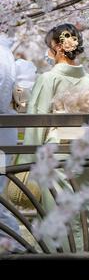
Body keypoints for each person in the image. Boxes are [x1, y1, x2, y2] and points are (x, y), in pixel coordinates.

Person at [16, 23, 89, 251]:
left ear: (58, 47)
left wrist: (25, 161)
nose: (48, 52)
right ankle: (86, 253)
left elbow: (36, 120)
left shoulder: (48, 79)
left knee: (57, 212)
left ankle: (60, 256)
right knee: (83, 210)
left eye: (49, 47)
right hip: (84, 148)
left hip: (56, 152)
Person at [0, 36, 36, 251]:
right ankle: (14, 243)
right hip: (6, 131)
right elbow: (21, 101)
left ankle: (15, 245)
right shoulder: (8, 57)